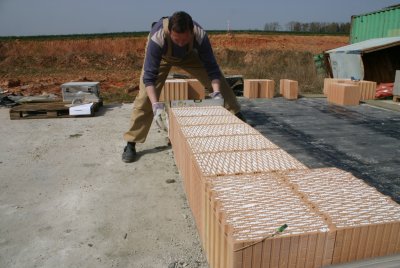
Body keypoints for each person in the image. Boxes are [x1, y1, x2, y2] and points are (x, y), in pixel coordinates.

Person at [122, 11, 245, 163]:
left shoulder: (200, 35)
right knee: (144, 98)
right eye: (176, 39)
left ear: (191, 32)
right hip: (163, 57)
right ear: (170, 32)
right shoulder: (158, 37)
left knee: (220, 83)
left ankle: (237, 115)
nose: (180, 43)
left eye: (184, 39)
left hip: (189, 56)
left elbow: (212, 69)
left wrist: (217, 93)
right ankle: (131, 142)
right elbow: (149, 78)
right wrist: (156, 105)